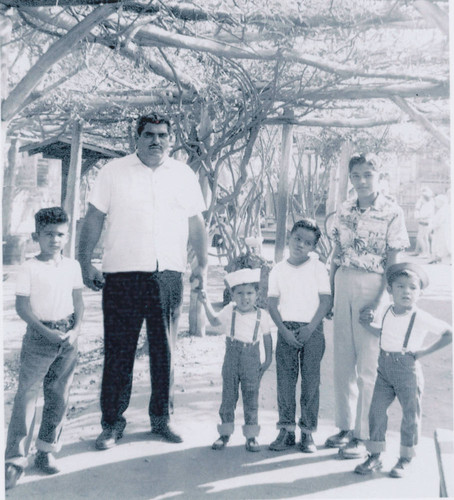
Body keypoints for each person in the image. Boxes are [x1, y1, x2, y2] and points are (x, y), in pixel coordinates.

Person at [78, 112, 207, 450]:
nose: (157, 141)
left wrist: (202, 266)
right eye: (149, 134)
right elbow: (94, 217)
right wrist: (84, 261)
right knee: (119, 352)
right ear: (136, 138)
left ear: (170, 139)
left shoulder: (183, 175)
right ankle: (111, 424)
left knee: (164, 351)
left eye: (163, 135)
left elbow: (196, 224)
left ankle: (162, 419)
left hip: (167, 274)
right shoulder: (113, 172)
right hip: (121, 275)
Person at [326, 153, 409, 459]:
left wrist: (379, 301)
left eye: (367, 175)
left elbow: (394, 261)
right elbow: (336, 252)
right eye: (356, 175)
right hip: (344, 282)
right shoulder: (344, 209)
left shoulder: (392, 212)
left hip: (373, 285)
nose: (361, 181)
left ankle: (364, 435)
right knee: (342, 361)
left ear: (379, 176)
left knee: (368, 365)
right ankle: (345, 427)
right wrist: (330, 289)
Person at [5, 207, 84, 490]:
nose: (55, 240)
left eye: (61, 234)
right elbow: (22, 308)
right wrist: (46, 332)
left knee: (58, 395)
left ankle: (46, 450)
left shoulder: (72, 266)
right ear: (36, 236)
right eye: (49, 234)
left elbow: (79, 302)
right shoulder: (29, 267)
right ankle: (15, 460)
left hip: (67, 337)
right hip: (40, 336)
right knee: (27, 395)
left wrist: (75, 330)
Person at [354, 263, 452, 478]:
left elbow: (449, 334)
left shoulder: (420, 316)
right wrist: (365, 324)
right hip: (384, 369)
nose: (406, 292)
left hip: (408, 371)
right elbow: (382, 332)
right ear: (390, 290)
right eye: (400, 286)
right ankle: (375, 455)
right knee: (377, 411)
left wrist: (422, 352)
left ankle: (405, 458)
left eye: (412, 288)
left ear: (420, 293)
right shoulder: (387, 310)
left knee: (410, 415)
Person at [267, 218, 332, 453]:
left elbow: (325, 301)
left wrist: (310, 327)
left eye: (307, 242)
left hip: (312, 330)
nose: (300, 245)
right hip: (286, 330)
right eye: (297, 238)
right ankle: (286, 430)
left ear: (313, 247)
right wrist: (284, 331)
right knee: (285, 381)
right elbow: (271, 304)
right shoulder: (278, 269)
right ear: (289, 236)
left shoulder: (318, 268)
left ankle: (307, 433)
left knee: (311, 382)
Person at [198, 268, 273, 452]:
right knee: (228, 396)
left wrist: (268, 359)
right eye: (239, 293)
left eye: (249, 293)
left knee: (251, 397)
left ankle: (251, 436)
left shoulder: (261, 315)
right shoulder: (229, 310)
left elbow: (267, 338)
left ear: (257, 294)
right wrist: (206, 302)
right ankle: (225, 433)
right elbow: (215, 321)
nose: (244, 298)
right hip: (231, 357)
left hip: (252, 358)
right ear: (232, 295)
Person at [428, 194, 450, 264]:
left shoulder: (444, 210)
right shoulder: (442, 209)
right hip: (439, 229)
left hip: (441, 230)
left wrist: (433, 226)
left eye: (437, 201)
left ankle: (438, 257)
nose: (436, 203)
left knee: (440, 243)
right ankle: (437, 257)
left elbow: (440, 221)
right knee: (438, 243)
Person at [413, 187, 435, 258]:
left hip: (425, 222)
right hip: (423, 222)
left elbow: (426, 214)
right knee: (425, 238)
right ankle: (426, 253)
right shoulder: (426, 204)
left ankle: (424, 252)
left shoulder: (428, 204)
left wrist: (419, 217)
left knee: (420, 238)